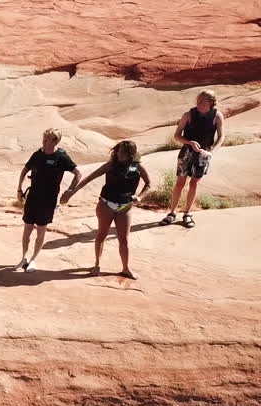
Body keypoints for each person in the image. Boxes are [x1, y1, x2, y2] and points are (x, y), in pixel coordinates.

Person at [61, 140, 149, 280]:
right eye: (118, 151)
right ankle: (97, 264)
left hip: (125, 207)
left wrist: (140, 197)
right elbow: (89, 178)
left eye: (123, 152)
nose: (120, 154)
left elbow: (148, 185)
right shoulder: (110, 165)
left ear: (130, 154)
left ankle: (125, 268)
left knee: (124, 239)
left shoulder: (138, 167)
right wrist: (71, 192)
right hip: (106, 205)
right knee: (102, 235)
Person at [16, 128, 81, 272]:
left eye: (47, 140)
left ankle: (33, 260)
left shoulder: (61, 157)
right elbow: (24, 170)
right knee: (27, 229)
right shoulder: (37, 154)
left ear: (55, 141)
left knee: (40, 230)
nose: (44, 142)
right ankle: (24, 258)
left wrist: (69, 192)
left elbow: (78, 173)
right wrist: (19, 189)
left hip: (48, 200)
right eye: (43, 139)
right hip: (32, 197)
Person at [162, 90, 225, 229]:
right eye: (198, 100)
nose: (199, 103)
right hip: (187, 152)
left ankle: (187, 214)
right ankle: (172, 213)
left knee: (194, 183)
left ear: (211, 102)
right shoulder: (188, 115)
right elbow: (177, 135)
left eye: (203, 101)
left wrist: (211, 151)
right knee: (180, 181)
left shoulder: (217, 116)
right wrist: (190, 142)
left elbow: (221, 136)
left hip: (204, 153)